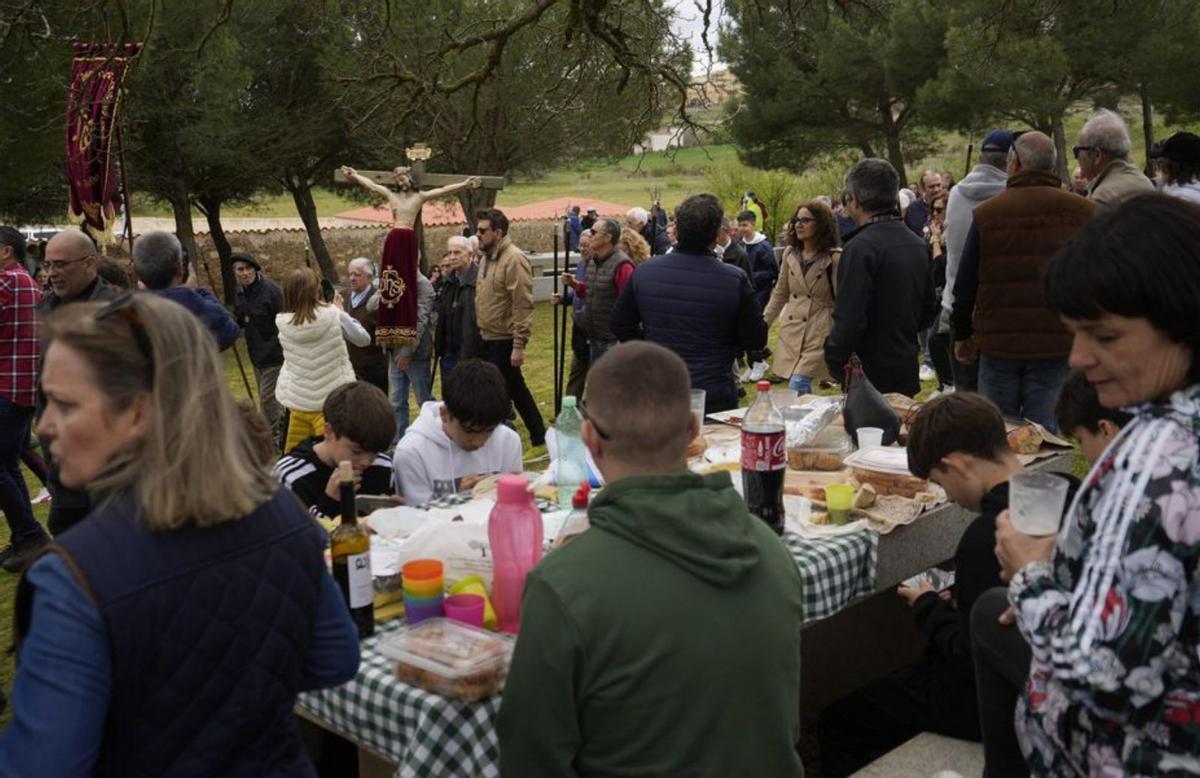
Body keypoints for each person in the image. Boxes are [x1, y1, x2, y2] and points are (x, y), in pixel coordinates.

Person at [0, 293, 360, 775]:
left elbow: (41, 765)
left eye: (64, 405)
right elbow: (333, 658)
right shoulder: (283, 512)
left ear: (139, 412)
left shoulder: (73, 578)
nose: (44, 425)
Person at [497, 341, 804, 777]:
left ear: (588, 439)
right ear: (694, 428)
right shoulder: (772, 551)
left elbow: (529, 763)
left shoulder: (561, 587)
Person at [990, 194, 1200, 775]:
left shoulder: (1161, 459)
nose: (1078, 356)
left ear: (1182, 320)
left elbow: (1102, 673)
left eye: (1104, 336)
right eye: (1075, 332)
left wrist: (1032, 575)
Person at [818, 392, 1024, 776]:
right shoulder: (1063, 491)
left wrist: (930, 606)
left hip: (992, 704)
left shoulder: (987, 537)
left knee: (839, 720)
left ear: (958, 464)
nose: (947, 496)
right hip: (1033, 680)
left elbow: (969, 658)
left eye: (939, 481)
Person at [970, 370, 1132, 777]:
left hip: (1122, 706)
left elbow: (1098, 663)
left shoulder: (1140, 493)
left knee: (989, 612)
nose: (1087, 458)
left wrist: (1032, 583)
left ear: (1107, 430)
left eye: (1083, 443)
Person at [951, 131, 1095, 431]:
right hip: (1056, 341)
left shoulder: (988, 214)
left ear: (1013, 163)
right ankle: (1045, 479)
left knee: (995, 432)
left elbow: (965, 284)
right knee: (1044, 435)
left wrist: (962, 334)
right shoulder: (1084, 212)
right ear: (1053, 166)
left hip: (998, 342)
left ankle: (999, 479)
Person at [611, 194, 768, 414]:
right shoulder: (733, 279)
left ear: (678, 230)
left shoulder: (646, 271)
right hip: (708, 388)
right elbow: (755, 337)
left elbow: (620, 324)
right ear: (715, 234)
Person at [824, 158, 939, 396]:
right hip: (904, 364)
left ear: (854, 199)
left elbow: (849, 319)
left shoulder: (860, 248)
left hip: (868, 374)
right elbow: (927, 309)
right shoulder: (917, 244)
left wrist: (834, 356)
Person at [37, 229, 116, 537]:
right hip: (61, 461)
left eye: (60, 265)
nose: (51, 273)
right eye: (48, 265)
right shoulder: (43, 311)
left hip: (110, 466)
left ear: (89, 264)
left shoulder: (120, 311)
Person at [392, 359, 522, 506]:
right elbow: (415, 520)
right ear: (445, 415)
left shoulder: (508, 441)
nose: (479, 441)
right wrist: (456, 499)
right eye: (470, 431)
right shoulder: (412, 452)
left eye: (489, 430)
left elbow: (515, 507)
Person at [943, 129, 1012, 392]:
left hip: (956, 305)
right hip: (995, 312)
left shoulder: (957, 193)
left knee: (966, 398)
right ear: (1011, 160)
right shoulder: (1009, 197)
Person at [275, 267, 371, 452]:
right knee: (336, 456)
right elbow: (363, 339)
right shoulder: (334, 316)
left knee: (298, 458)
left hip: (299, 401)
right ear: (316, 290)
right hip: (333, 401)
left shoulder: (283, 324)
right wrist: (341, 312)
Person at [474, 207, 546, 446]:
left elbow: (522, 303)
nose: (478, 235)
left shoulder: (513, 258)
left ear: (498, 232)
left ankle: (518, 435)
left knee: (503, 390)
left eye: (483, 230)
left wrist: (518, 343)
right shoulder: (486, 257)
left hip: (504, 338)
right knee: (514, 387)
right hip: (487, 335)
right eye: (477, 230)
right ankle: (537, 434)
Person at [0, 227, 50, 572]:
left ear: (6, 252)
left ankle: (30, 535)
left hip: (6, 385)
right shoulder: (28, 282)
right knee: (9, 462)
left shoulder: (5, 282)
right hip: (23, 387)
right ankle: (25, 537)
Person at [274, 380, 396, 518]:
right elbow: (293, 537)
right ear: (329, 432)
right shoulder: (291, 476)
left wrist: (399, 515)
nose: (366, 462)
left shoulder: (382, 465)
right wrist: (330, 501)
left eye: (374, 453)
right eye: (356, 451)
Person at [763, 201, 839, 395]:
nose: (799, 224)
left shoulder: (835, 258)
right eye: (796, 220)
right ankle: (806, 422)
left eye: (806, 220)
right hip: (793, 329)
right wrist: (764, 323)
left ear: (821, 224)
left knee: (797, 383)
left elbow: (842, 299)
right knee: (796, 385)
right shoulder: (790, 253)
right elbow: (780, 293)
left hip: (820, 330)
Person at [131, 231, 240, 352]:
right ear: (180, 271)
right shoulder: (201, 308)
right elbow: (229, 327)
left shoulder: (123, 320)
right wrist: (195, 291)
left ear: (135, 272)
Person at [560, 218, 634, 363]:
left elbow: (629, 305)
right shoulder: (593, 261)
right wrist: (574, 284)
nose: (590, 235)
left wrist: (622, 338)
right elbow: (591, 291)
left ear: (607, 238)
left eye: (594, 232)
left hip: (612, 340)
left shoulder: (622, 265)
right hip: (594, 336)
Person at [232, 252, 286, 438]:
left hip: (275, 354)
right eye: (241, 269)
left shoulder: (271, 290)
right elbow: (241, 318)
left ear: (255, 270)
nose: (245, 273)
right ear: (235, 273)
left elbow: (284, 320)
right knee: (271, 397)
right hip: (256, 355)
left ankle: (274, 435)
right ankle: (280, 430)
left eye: (248, 269)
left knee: (267, 398)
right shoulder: (240, 292)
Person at [388, 266, 435, 443]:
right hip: (394, 349)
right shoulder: (393, 281)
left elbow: (420, 321)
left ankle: (433, 438)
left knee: (424, 400)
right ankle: (400, 442)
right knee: (397, 401)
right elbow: (371, 306)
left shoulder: (423, 285)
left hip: (415, 354)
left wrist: (407, 352)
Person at [1074, 109, 1155, 208]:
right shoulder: (1144, 182)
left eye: (1077, 151)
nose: (1077, 158)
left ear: (1097, 155)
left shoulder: (1103, 198)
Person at [434, 236, 483, 383]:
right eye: (450, 253)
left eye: (457, 253)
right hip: (449, 351)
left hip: (472, 351)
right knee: (449, 397)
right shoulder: (449, 281)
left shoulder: (479, 279)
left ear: (470, 254)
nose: (452, 257)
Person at [341, 257, 389, 395]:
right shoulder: (342, 297)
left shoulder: (378, 299)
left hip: (373, 367)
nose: (352, 278)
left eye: (357, 274)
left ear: (369, 277)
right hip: (349, 366)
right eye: (350, 274)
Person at [923, 191, 954, 390]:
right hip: (933, 293)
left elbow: (940, 267)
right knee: (933, 338)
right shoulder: (931, 234)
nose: (935, 214)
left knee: (937, 339)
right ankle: (946, 382)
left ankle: (948, 382)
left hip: (948, 293)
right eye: (933, 209)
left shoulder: (950, 234)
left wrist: (935, 241)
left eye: (940, 209)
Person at [1155, 130, 1200, 204]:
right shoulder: (1194, 189)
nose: (1160, 167)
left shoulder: (1179, 198)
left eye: (1161, 163)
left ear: (1171, 167)